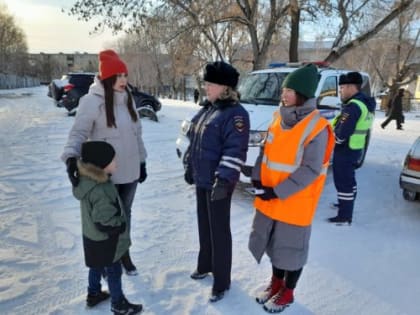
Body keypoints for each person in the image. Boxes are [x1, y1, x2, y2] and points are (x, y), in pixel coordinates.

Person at [248, 63, 335, 313]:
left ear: (303, 95)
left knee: (291, 250)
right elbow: (265, 152)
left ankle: (288, 292)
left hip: (295, 202)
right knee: (274, 245)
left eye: (290, 90)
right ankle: (276, 284)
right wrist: (257, 178)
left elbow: (310, 170)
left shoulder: (317, 127)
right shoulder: (277, 117)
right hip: (270, 196)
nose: (283, 94)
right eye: (284, 89)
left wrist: (277, 191)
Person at [61, 49, 147, 275]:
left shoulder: (128, 98)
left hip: (130, 172)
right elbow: (78, 133)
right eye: (117, 76)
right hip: (106, 177)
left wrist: (142, 161)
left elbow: (137, 133)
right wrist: (71, 157)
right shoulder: (91, 101)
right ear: (106, 78)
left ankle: (124, 254)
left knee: (125, 216)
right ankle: (108, 262)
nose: (123, 80)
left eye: (125, 75)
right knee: (107, 221)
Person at [183, 61, 250, 302]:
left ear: (225, 88)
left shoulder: (236, 114)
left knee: (219, 231)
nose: (206, 87)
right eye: (206, 83)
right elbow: (194, 139)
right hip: (203, 179)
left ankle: (222, 281)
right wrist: (189, 164)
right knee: (204, 224)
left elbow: (235, 151)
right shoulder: (207, 109)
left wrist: (223, 181)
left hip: (219, 182)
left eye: (210, 84)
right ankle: (205, 265)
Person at [73, 141, 142, 315]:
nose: (116, 163)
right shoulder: (101, 189)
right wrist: (118, 225)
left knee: (95, 265)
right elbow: (103, 220)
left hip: (91, 236)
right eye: (113, 161)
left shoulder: (87, 182)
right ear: (101, 164)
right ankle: (118, 303)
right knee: (114, 269)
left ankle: (94, 293)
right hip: (106, 239)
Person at [329, 72, 376, 224]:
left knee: (343, 182)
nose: (340, 91)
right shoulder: (365, 103)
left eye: (342, 87)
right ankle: (346, 203)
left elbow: (343, 132)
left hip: (345, 149)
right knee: (349, 180)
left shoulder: (353, 107)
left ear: (350, 87)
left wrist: (331, 140)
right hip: (355, 147)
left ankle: (344, 216)